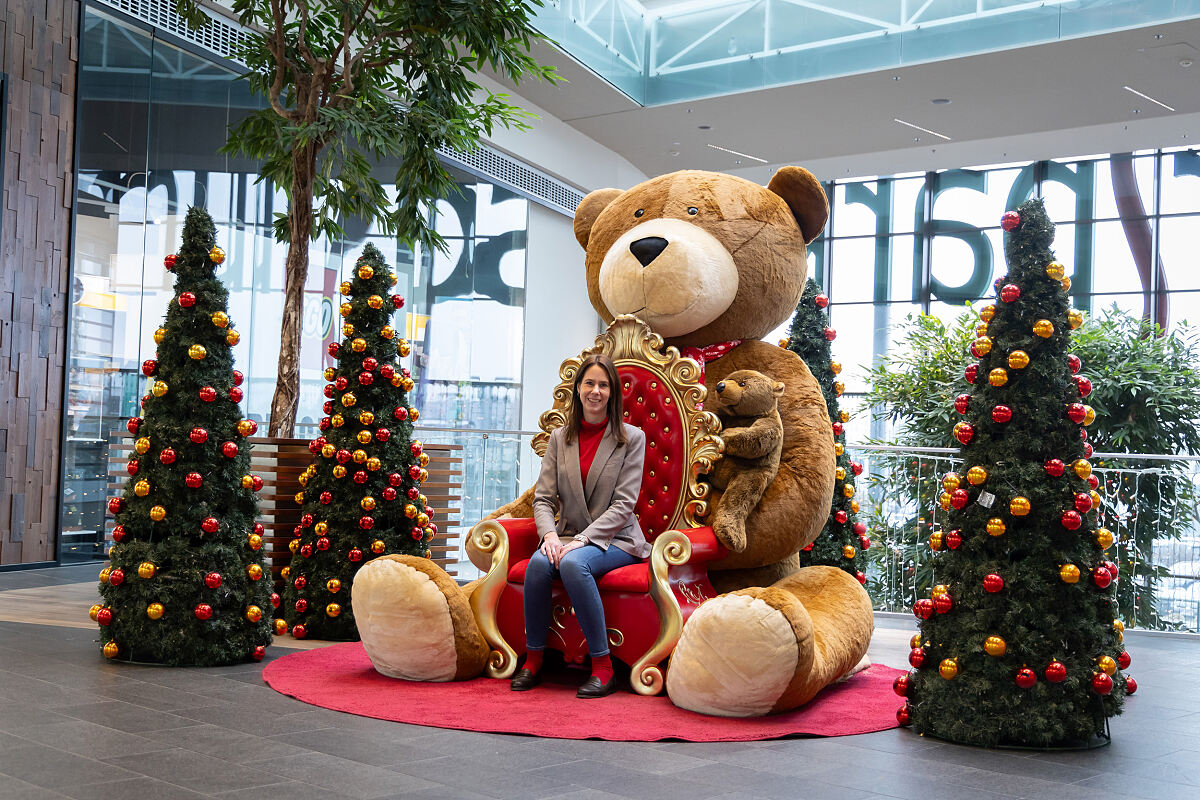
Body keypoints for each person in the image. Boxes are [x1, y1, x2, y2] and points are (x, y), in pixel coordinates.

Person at [510, 353, 649, 698]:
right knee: (539, 565)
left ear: (612, 394)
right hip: (567, 535)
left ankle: (602, 668)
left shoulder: (632, 438)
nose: (596, 391)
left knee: (573, 563)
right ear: (578, 389)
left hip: (617, 540)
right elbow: (543, 500)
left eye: (604, 385)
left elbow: (624, 505)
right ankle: (535, 659)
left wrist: (583, 540)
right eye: (590, 383)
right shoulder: (559, 438)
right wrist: (551, 536)